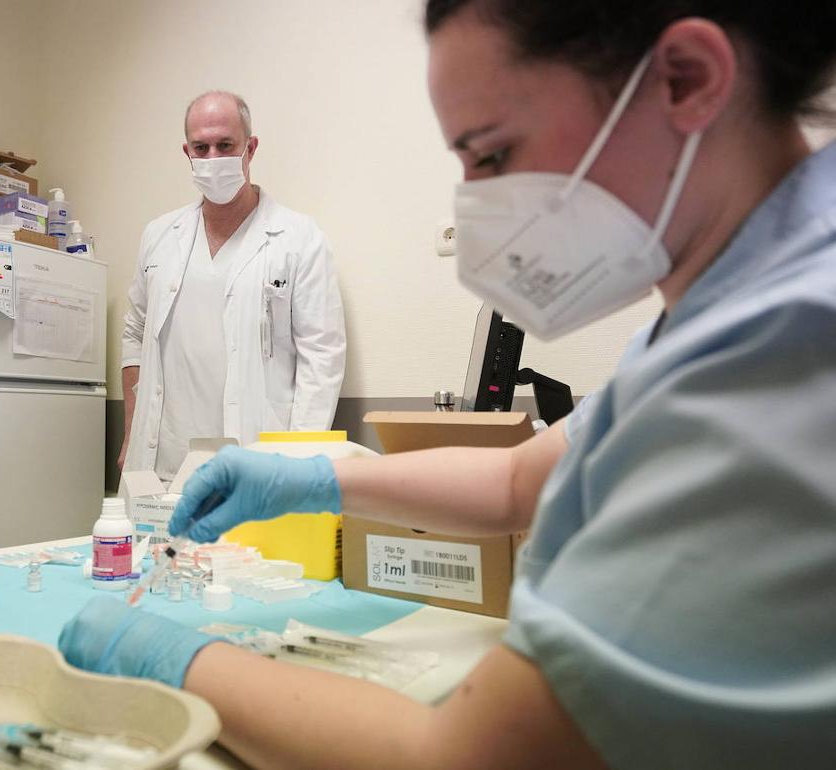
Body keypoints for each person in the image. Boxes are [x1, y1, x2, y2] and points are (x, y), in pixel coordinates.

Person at [59, 2, 836, 768]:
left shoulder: (785, 348)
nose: (477, 202)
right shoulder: (728, 310)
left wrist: (169, 658)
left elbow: (464, 756)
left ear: (687, 79)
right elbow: (514, 478)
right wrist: (312, 478)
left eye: (491, 155)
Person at [119, 91, 346, 481]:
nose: (212, 159)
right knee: (152, 545)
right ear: (187, 152)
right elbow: (134, 333)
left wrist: (300, 460)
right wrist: (129, 435)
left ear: (250, 148)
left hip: (254, 462)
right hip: (159, 462)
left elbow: (321, 356)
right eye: (200, 147)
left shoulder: (298, 238)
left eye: (225, 146)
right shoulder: (159, 236)